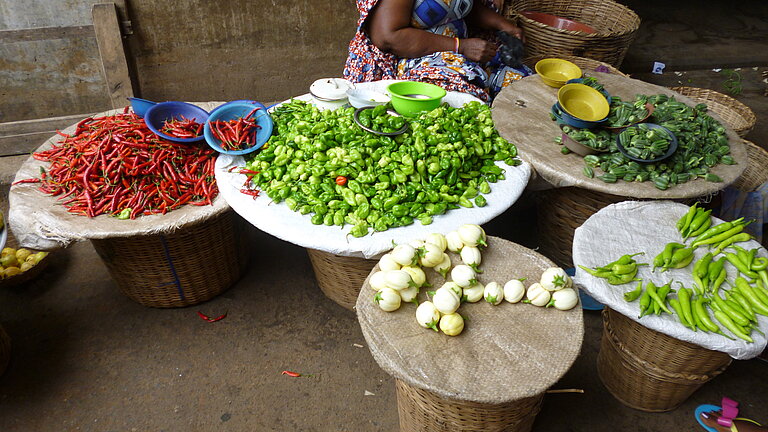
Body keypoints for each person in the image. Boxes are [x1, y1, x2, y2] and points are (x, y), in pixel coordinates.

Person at [343, 0, 533, 102]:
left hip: (462, 54)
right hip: (402, 60)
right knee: (462, 98)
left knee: (523, 83)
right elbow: (388, 37)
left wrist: (505, 26)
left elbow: (463, 5)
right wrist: (461, 46)